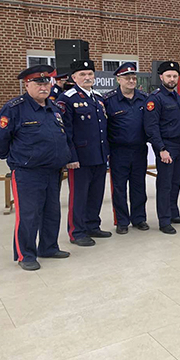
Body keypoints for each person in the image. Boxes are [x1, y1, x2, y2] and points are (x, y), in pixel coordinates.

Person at [0, 65, 71, 270]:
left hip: (53, 170)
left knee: (52, 212)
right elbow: (0, 141)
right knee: (29, 214)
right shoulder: (14, 108)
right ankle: (25, 254)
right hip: (28, 172)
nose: (43, 87)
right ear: (27, 85)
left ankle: (48, 247)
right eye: (38, 83)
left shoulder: (54, 108)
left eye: (46, 83)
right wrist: (16, 159)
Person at [58, 59, 111, 247]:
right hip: (80, 158)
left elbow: (102, 128)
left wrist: (106, 152)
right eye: (82, 74)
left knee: (96, 194)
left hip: (99, 155)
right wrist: (71, 157)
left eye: (90, 74)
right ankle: (77, 232)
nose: (87, 77)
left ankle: (92, 225)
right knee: (79, 197)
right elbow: (65, 131)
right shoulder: (67, 98)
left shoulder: (98, 97)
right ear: (74, 78)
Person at [144, 61, 180, 235]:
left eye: (175, 76)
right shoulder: (155, 99)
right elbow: (151, 127)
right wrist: (161, 149)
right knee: (165, 185)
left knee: (175, 182)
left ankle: (173, 214)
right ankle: (164, 220)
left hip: (179, 145)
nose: (172, 79)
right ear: (161, 77)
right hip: (166, 147)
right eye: (168, 76)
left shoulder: (177, 97)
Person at [103, 62, 149, 235]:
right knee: (119, 188)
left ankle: (139, 218)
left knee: (139, 186)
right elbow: (104, 127)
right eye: (127, 78)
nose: (131, 81)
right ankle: (122, 221)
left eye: (133, 78)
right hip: (118, 151)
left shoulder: (144, 98)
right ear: (118, 79)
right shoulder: (109, 100)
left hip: (139, 149)